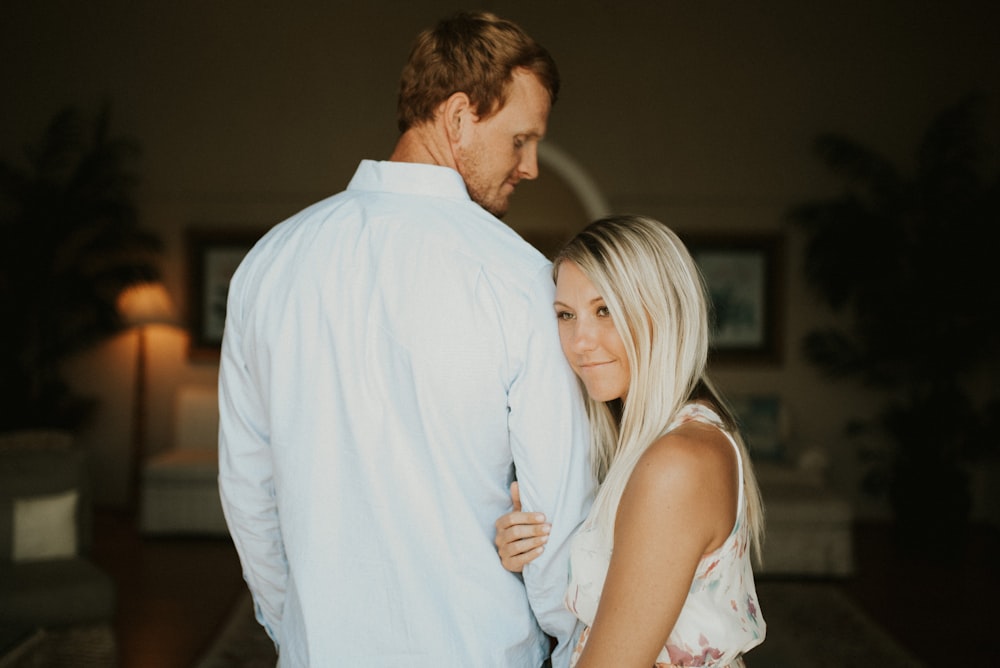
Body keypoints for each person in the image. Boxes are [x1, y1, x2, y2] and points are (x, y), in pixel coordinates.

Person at [218, 10, 595, 667]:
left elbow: (249, 491)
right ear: (457, 118)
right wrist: (567, 648)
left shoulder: (270, 263)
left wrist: (299, 632)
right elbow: (553, 511)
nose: (531, 166)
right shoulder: (521, 280)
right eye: (520, 140)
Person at [495, 215, 767, 667]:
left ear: (664, 312)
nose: (580, 341)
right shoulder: (641, 445)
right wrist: (527, 554)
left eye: (605, 311)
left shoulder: (677, 461)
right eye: (566, 315)